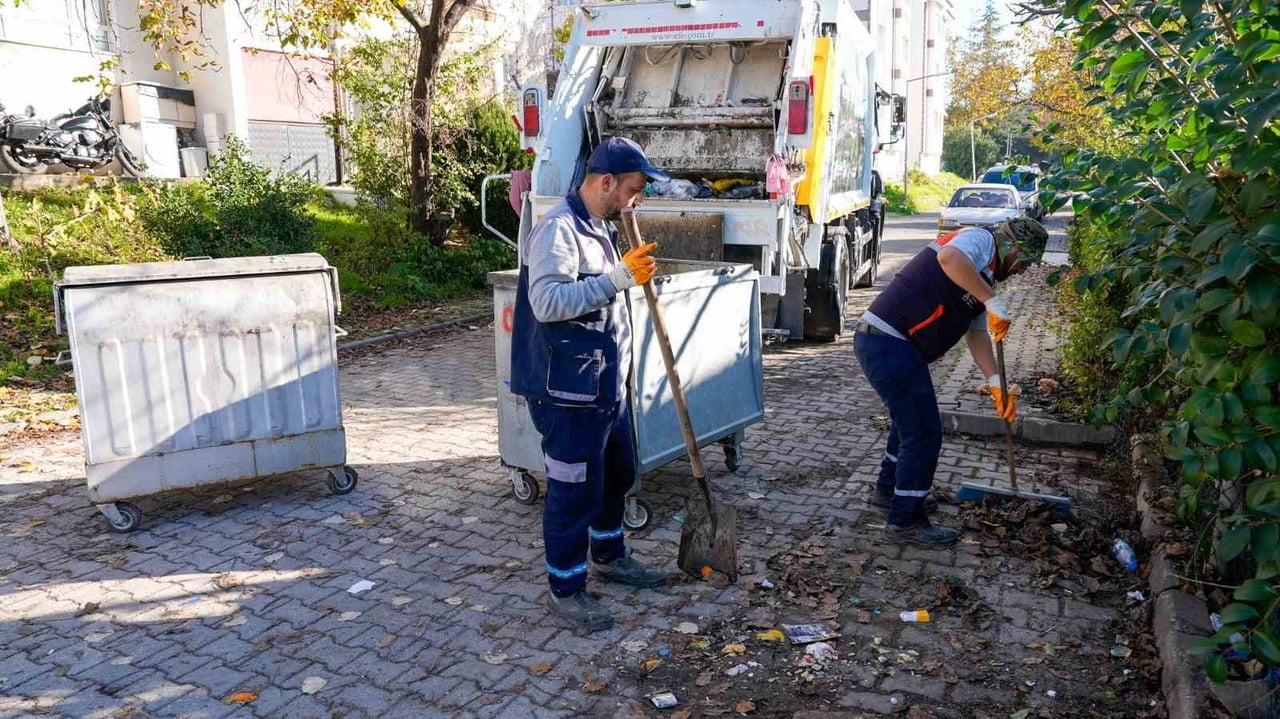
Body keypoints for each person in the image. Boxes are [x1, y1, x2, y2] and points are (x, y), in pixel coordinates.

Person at [509, 137, 671, 632]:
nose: (637, 199)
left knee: (616, 477)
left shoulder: (598, 227)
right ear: (607, 183)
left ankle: (610, 556)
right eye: (635, 189)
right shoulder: (557, 230)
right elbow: (548, 304)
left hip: (604, 389)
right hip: (567, 392)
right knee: (572, 490)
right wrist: (617, 279)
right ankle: (566, 588)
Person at [854, 217, 1049, 547]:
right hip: (887, 341)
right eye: (1025, 262)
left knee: (908, 426)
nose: (1023, 270)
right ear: (1013, 248)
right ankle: (905, 521)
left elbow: (976, 336)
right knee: (924, 432)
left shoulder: (981, 277)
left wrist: (996, 383)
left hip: (892, 345)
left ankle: (890, 492)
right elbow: (949, 259)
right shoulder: (979, 241)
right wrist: (993, 301)